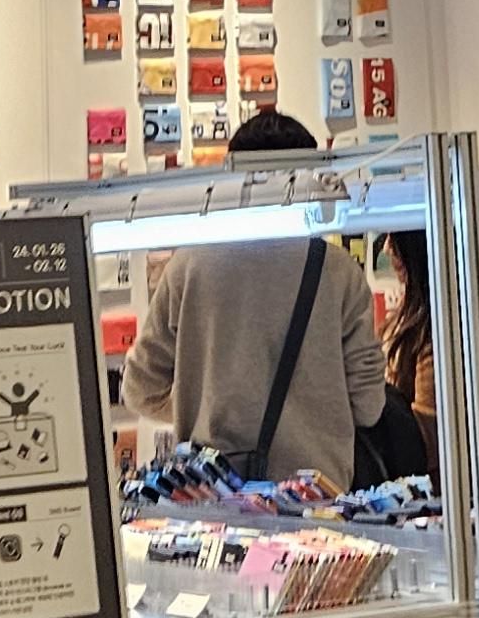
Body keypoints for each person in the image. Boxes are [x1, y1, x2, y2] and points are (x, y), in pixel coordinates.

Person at [120, 106, 386, 484]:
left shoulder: (188, 266)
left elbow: (139, 390)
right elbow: (368, 406)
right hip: (317, 497)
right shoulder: (339, 271)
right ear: (310, 176)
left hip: (214, 493)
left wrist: (206, 405)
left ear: (233, 177)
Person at [376, 225, 479, 491]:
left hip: (455, 505)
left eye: (396, 237)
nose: (386, 248)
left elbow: (431, 439)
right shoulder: (434, 312)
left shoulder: (448, 324)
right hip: (466, 499)